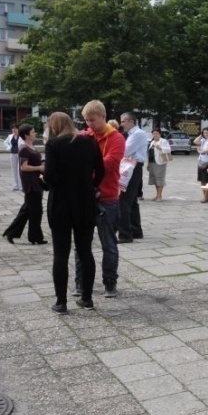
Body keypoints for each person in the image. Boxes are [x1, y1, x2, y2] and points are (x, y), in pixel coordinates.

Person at [43, 112, 105, 314]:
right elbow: (101, 170)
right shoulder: (89, 142)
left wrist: (42, 179)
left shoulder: (53, 145)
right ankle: (87, 299)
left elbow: (50, 177)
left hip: (60, 203)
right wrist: (91, 185)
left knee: (61, 253)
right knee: (85, 250)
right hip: (85, 202)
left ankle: (61, 302)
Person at [75, 100, 125, 299]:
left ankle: (110, 282)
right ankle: (80, 283)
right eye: (86, 121)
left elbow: (109, 164)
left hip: (107, 197)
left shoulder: (116, 138)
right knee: (81, 244)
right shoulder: (85, 136)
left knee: (109, 244)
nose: (89, 125)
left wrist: (84, 164)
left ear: (103, 117)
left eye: (92, 120)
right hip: (86, 197)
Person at [2, 123, 47, 245]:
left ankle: (12, 233)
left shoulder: (31, 146)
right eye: (32, 132)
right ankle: (35, 237)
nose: (35, 133)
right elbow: (24, 167)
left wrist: (42, 162)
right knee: (35, 211)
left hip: (36, 181)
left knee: (27, 210)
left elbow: (35, 160)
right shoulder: (23, 148)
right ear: (26, 135)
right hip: (31, 184)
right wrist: (39, 167)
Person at [117, 112, 149, 243]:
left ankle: (125, 234)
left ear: (131, 122)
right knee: (132, 201)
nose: (122, 124)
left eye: (124, 121)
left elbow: (124, 151)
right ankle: (135, 230)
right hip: (132, 167)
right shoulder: (132, 134)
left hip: (132, 167)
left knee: (123, 201)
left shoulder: (137, 134)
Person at [147, 129, 172, 201]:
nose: (155, 135)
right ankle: (157, 194)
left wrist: (160, 147)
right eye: (154, 133)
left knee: (159, 179)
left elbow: (168, 150)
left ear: (160, 134)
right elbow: (149, 153)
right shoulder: (152, 142)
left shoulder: (163, 141)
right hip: (152, 163)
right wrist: (148, 164)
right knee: (155, 179)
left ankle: (159, 196)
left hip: (160, 162)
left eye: (156, 133)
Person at [194, 127, 208, 203]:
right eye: (204, 133)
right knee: (201, 180)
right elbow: (195, 141)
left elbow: (207, 150)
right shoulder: (203, 140)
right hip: (201, 160)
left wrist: (199, 151)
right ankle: (205, 196)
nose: (205, 134)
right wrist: (201, 135)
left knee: (206, 180)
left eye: (207, 132)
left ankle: (206, 196)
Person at [3, 123, 22, 191]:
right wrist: (9, 147)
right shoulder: (10, 136)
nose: (14, 130)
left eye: (15, 128)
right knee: (14, 170)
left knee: (19, 170)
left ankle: (21, 186)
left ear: (18, 129)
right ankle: (15, 185)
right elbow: (5, 142)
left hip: (20, 154)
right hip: (13, 154)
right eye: (13, 128)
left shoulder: (21, 136)